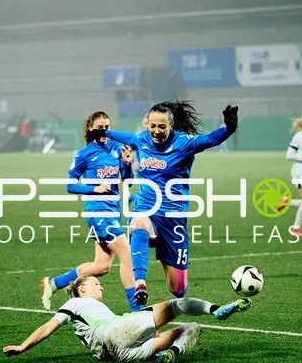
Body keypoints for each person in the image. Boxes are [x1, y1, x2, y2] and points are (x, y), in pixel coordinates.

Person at [89, 100, 238, 307]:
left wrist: (229, 128)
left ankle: (162, 251)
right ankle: (140, 284)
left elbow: (210, 139)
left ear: (171, 125)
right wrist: (103, 134)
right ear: (147, 125)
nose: (156, 131)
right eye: (152, 126)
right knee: (138, 221)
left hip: (173, 218)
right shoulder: (141, 140)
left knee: (178, 289)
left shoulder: (184, 143)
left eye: (162, 126)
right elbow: (122, 136)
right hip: (146, 208)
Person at [3, 275, 252, 363]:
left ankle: (172, 353)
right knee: (179, 304)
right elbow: (50, 326)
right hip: (115, 331)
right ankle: (216, 310)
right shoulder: (75, 303)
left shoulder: (93, 308)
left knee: (191, 327)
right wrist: (24, 346)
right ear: (82, 289)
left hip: (120, 354)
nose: (101, 288)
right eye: (96, 284)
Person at [40, 110, 139, 312]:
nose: (104, 131)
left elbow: (128, 182)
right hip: (97, 212)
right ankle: (138, 310)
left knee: (102, 266)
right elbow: (70, 185)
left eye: (107, 127)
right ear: (90, 128)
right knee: (127, 254)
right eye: (100, 127)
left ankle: (53, 283)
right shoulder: (83, 154)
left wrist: (127, 164)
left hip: (112, 212)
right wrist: (93, 188)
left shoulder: (118, 148)